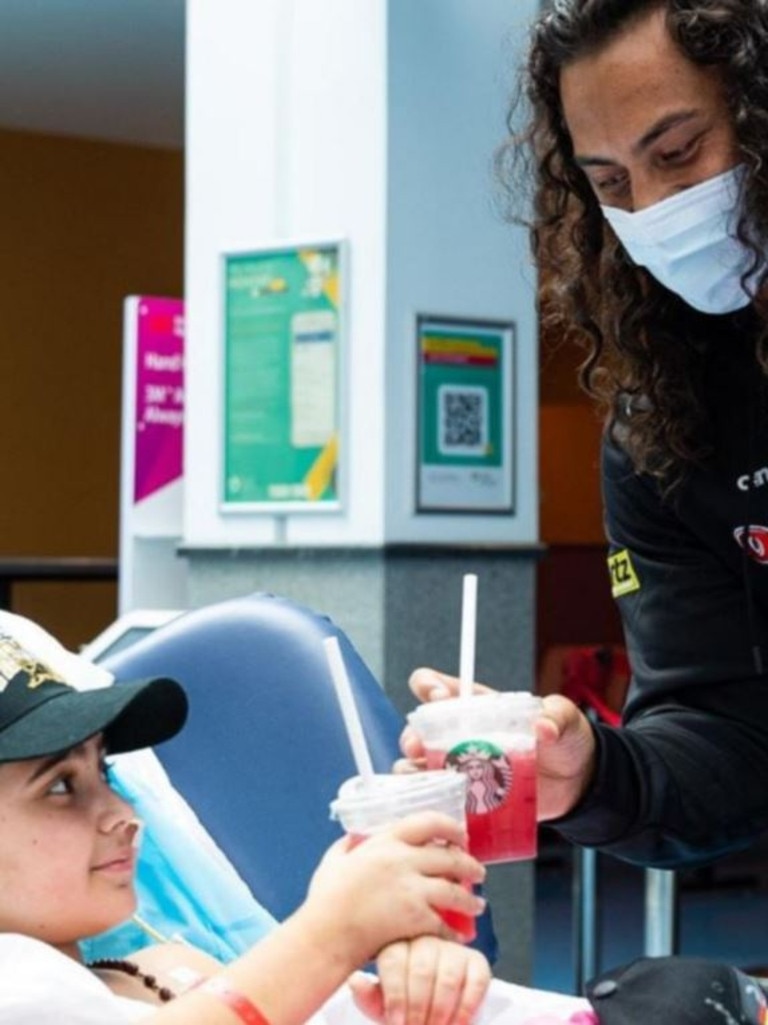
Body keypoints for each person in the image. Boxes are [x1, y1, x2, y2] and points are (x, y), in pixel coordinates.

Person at [402, 0, 768, 871]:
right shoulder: (667, 428)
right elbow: (725, 737)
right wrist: (593, 774)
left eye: (679, 152)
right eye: (611, 183)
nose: (656, 209)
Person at [0, 611, 494, 1025]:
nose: (122, 813)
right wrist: (336, 932)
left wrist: (419, 978)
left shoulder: (165, 972)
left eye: (105, 771)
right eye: (60, 786)